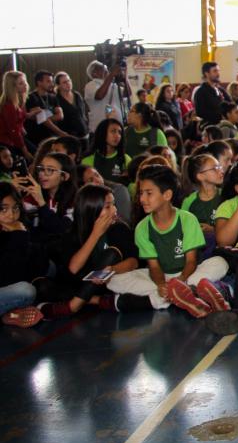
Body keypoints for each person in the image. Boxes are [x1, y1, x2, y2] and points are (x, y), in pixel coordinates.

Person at [104, 165, 229, 317]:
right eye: (141, 193)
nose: (142, 199)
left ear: (167, 195)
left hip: (189, 274)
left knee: (220, 262)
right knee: (114, 280)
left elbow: (191, 261)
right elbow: (154, 267)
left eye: (149, 193)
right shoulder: (142, 227)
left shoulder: (187, 219)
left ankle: (167, 298)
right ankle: (187, 294)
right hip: (161, 278)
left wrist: (181, 281)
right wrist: (161, 285)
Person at [37, 184, 138, 318]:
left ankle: (74, 305)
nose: (114, 210)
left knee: (112, 253)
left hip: (105, 282)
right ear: (91, 209)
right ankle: (94, 300)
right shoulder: (73, 231)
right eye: (107, 206)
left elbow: (133, 262)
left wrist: (112, 269)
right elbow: (73, 269)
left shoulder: (119, 228)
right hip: (78, 284)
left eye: (113, 204)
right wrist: (95, 234)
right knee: (40, 285)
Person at [0, 182, 43, 327]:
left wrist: (19, 235)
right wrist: (18, 235)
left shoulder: (18, 229)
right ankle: (8, 313)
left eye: (15, 208)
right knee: (25, 291)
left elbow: (35, 264)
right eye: (3, 209)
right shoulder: (17, 232)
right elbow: (9, 278)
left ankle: (9, 313)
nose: (11, 215)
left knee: (50, 268)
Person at [180, 153, 224, 245]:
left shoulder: (225, 195)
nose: (221, 171)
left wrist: (213, 230)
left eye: (220, 167)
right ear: (200, 176)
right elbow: (182, 229)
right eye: (215, 168)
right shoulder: (189, 201)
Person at [24, 70, 66, 146]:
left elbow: (60, 116)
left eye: (52, 81)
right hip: (37, 139)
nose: (52, 84)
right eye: (48, 81)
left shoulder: (53, 97)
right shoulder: (31, 98)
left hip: (52, 137)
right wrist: (60, 133)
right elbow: (43, 120)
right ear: (39, 82)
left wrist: (45, 117)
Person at [84, 60, 129, 131]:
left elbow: (127, 94)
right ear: (94, 73)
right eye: (102, 68)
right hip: (100, 130)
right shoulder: (90, 85)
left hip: (117, 128)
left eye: (106, 68)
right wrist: (111, 75)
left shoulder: (113, 85)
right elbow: (99, 96)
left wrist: (125, 79)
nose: (106, 70)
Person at [82, 119, 130, 185]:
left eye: (119, 132)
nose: (117, 136)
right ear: (102, 133)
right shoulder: (88, 160)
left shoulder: (126, 159)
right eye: (113, 131)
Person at [0, 71, 32, 160]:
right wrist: (25, 152)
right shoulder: (8, 105)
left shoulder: (19, 99)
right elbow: (13, 131)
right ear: (12, 87)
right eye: (21, 83)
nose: (25, 85)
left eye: (25, 81)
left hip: (15, 137)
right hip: (6, 141)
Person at [53, 71, 89, 145]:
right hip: (68, 137)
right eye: (64, 82)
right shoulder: (55, 99)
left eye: (69, 80)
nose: (68, 83)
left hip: (84, 134)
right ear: (58, 85)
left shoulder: (77, 95)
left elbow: (82, 114)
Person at [194, 62, 228, 126]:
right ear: (207, 74)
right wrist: (220, 117)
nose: (218, 74)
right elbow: (200, 113)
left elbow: (230, 103)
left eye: (218, 71)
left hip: (224, 124)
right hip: (211, 127)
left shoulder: (221, 90)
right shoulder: (201, 92)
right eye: (215, 71)